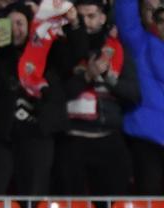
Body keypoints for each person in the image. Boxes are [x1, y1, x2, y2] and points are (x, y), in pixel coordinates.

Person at [0, 3, 81, 195]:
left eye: (20, 23)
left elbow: (74, 57)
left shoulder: (47, 50)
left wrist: (74, 25)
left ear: (30, 25)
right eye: (10, 23)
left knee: (33, 196)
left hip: (37, 135)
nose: (15, 29)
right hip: (1, 135)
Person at [58, 0, 140, 197]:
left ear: (103, 18)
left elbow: (134, 94)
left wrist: (109, 79)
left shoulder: (118, 49)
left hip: (108, 138)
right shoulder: (62, 48)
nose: (86, 22)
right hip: (72, 139)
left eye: (91, 16)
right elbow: (55, 95)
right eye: (81, 17)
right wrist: (87, 76)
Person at [115, 0, 164, 193]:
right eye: (160, 20)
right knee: (149, 203)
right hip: (146, 136)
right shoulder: (141, 44)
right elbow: (126, 19)